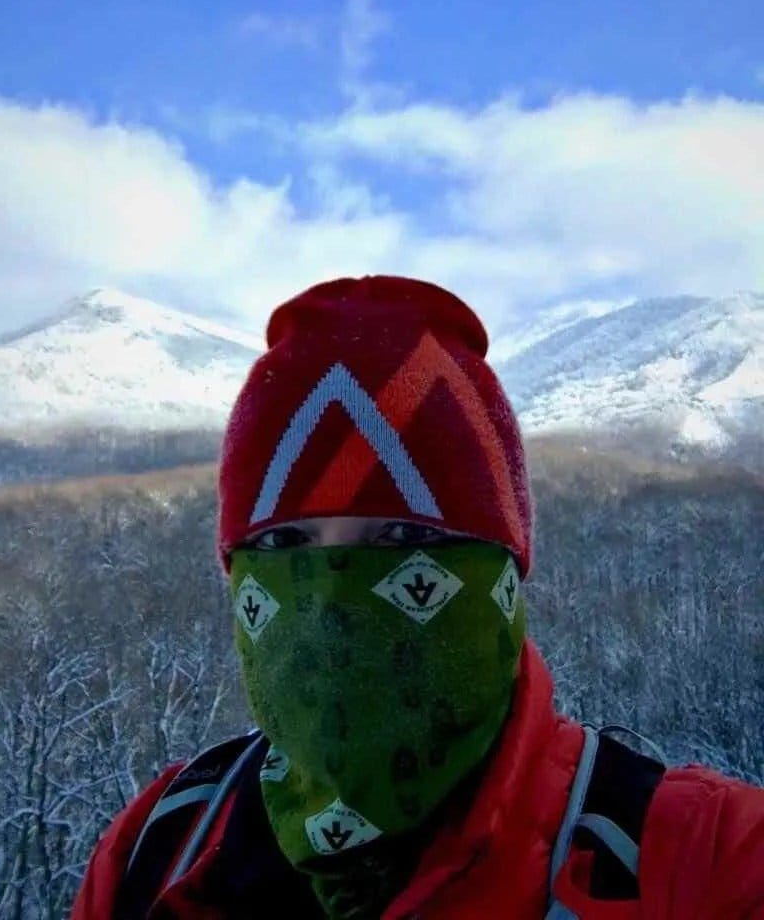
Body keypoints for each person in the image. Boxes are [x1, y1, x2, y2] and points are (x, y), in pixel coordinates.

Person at [72, 275, 764, 920]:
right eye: (286, 546)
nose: (334, 600)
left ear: (501, 572)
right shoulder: (157, 845)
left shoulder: (700, 856)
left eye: (402, 535)